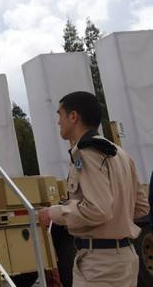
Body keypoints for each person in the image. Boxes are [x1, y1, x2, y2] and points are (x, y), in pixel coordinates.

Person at [37, 91, 149, 287]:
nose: (58, 122)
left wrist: (54, 212)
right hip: (125, 258)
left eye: (60, 115)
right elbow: (141, 207)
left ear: (73, 116)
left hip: (100, 265)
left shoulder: (86, 152)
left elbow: (98, 209)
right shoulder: (120, 153)